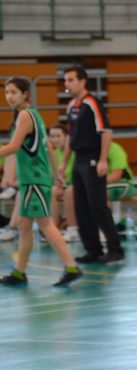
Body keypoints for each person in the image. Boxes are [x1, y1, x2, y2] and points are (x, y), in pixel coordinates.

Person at [0, 77, 83, 286]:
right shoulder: (33, 115)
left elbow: (14, 146)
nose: (9, 96)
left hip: (34, 180)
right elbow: (47, 148)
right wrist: (57, 174)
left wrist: (53, 175)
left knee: (45, 224)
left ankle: (71, 266)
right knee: (24, 226)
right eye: (7, 92)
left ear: (25, 94)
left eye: (13, 92)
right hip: (33, 179)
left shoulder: (25, 116)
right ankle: (19, 273)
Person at [59, 65, 125, 264]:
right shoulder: (71, 106)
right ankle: (93, 249)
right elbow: (70, 136)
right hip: (78, 161)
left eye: (71, 79)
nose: (67, 83)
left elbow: (106, 131)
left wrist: (103, 159)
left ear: (82, 81)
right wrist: (63, 162)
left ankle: (115, 248)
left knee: (97, 206)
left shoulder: (93, 103)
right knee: (81, 207)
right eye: (65, 80)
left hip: (93, 158)